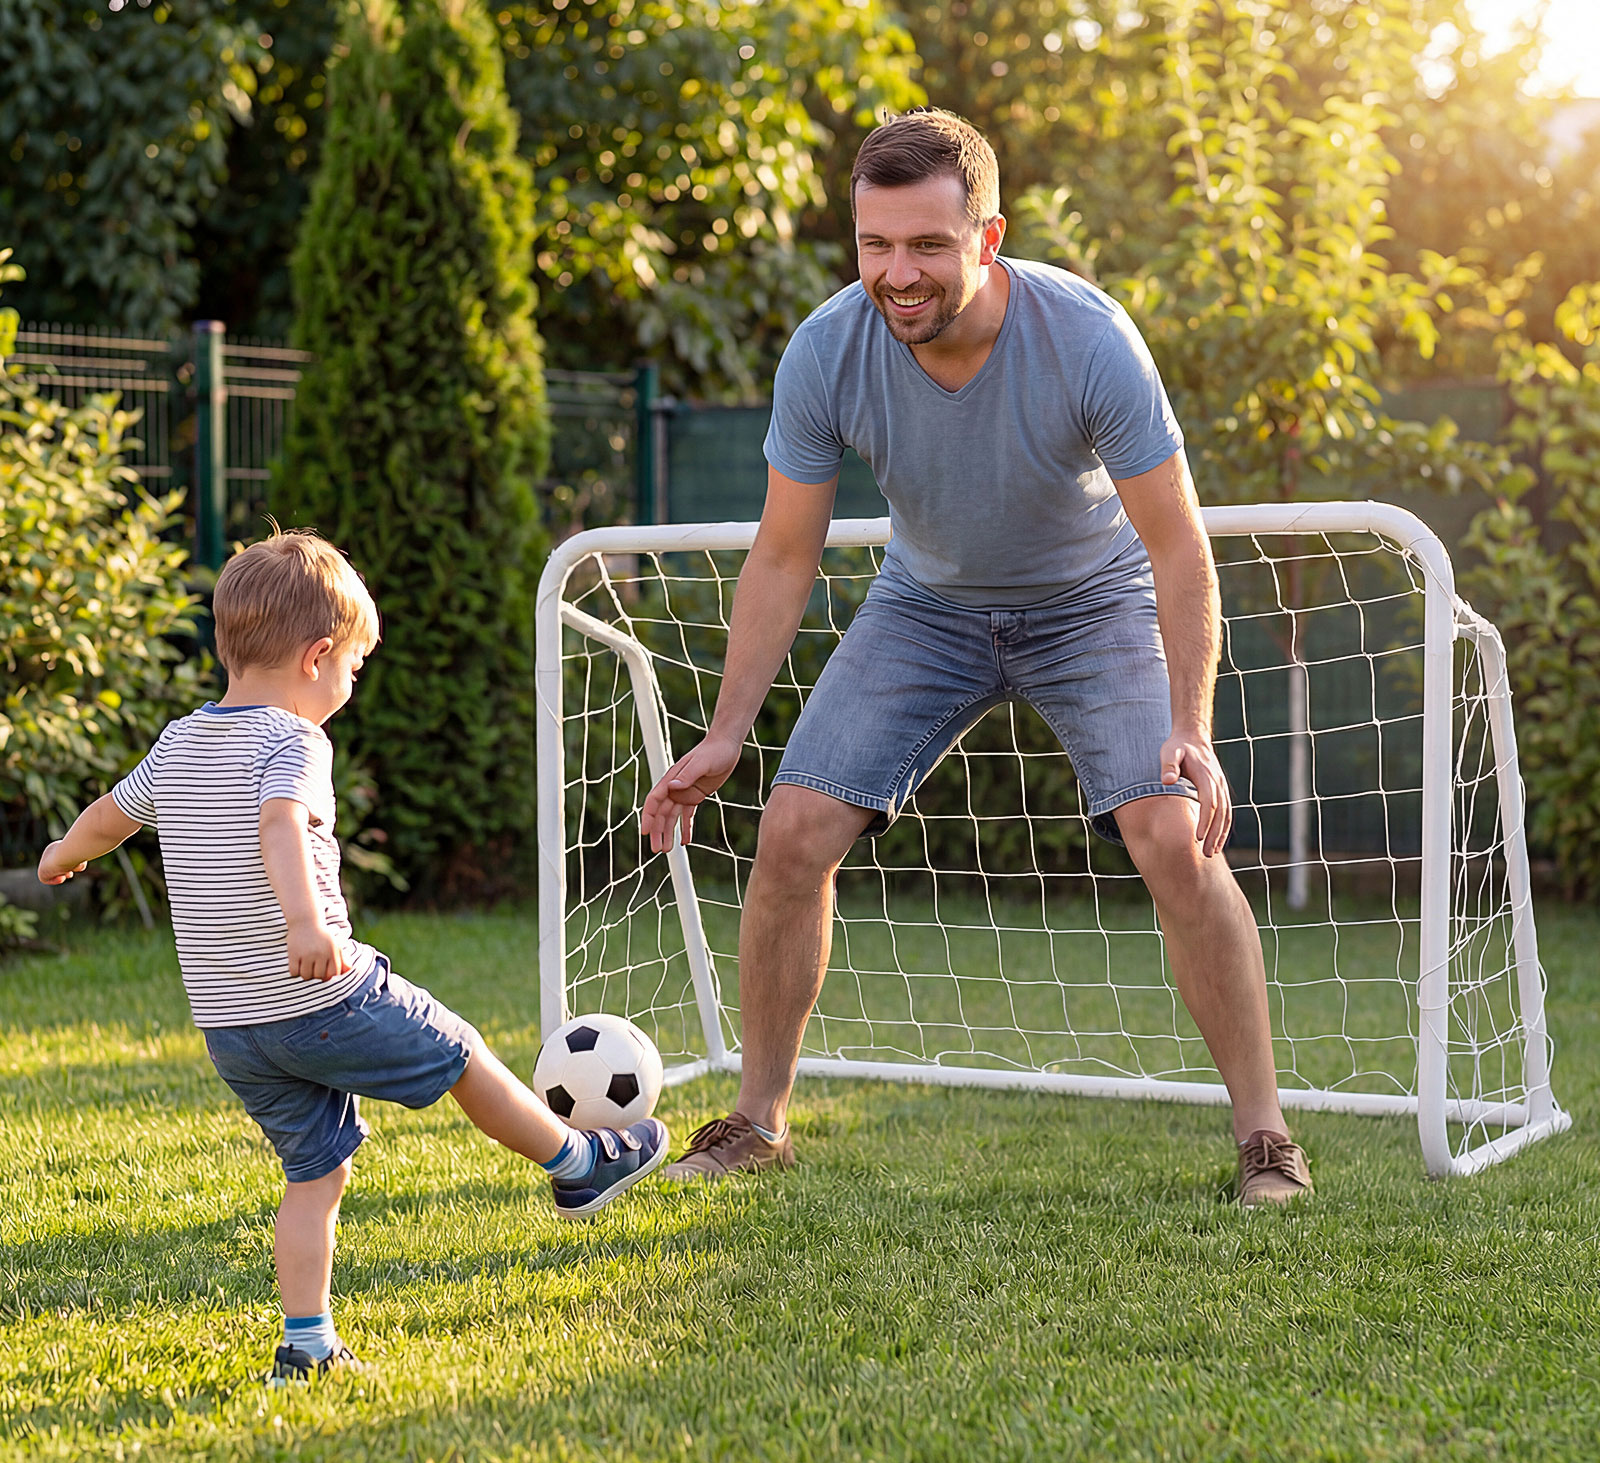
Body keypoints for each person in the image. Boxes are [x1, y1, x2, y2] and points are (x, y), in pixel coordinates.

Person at [640, 108, 1312, 1207]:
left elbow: (1177, 545)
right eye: (874, 244)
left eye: (927, 245)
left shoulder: (1086, 338)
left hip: (1092, 603)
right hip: (928, 607)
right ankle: (758, 1122)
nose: (896, 273)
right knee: (792, 828)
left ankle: (1266, 1139)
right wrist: (724, 732)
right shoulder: (827, 350)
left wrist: (1189, 727)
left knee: (1172, 833)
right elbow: (784, 552)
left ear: (988, 239)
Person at [38, 529, 670, 1383]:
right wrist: (305, 925)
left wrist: (63, 853)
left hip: (234, 1030)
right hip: (322, 998)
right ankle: (578, 1163)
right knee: (461, 1053)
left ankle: (306, 1343)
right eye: (353, 668)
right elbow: (279, 824)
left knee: (317, 1175)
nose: (349, 685)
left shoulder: (180, 742)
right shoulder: (294, 743)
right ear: (317, 656)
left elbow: (113, 814)